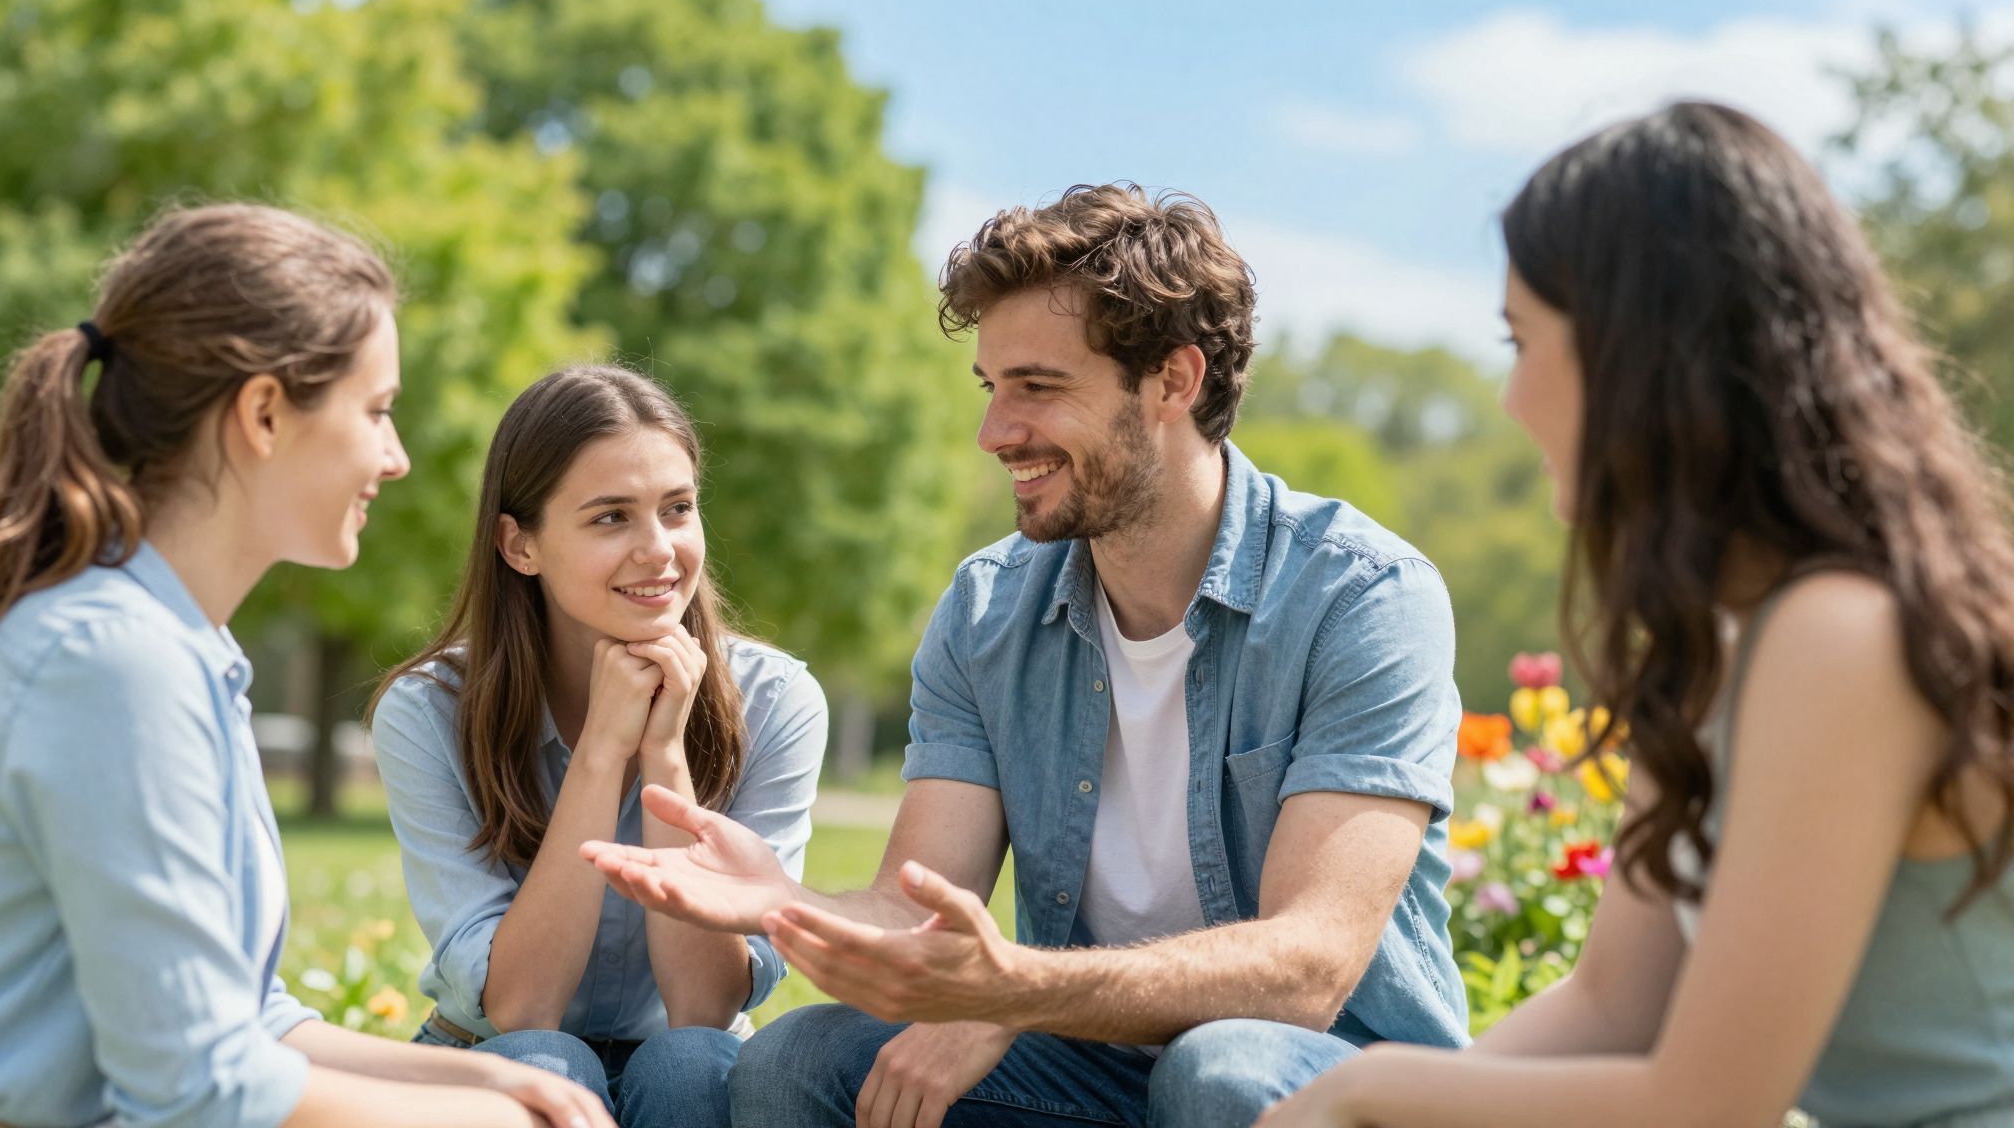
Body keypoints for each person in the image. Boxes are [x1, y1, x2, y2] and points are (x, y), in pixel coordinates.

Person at [585, 184, 1470, 1128]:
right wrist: (786, 901)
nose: (995, 432)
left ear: (1175, 381)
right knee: (801, 1063)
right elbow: (918, 910)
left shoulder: (1361, 597)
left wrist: (1015, 994)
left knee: (1218, 1070)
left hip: (1335, 1075)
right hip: (1089, 1062)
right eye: (993, 388)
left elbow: (1308, 972)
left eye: (1038, 388)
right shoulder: (986, 610)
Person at [1259, 101, 2014, 1128]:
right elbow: (1614, 1005)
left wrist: (1365, 1091)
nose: (1507, 397)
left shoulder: (1837, 635)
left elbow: (1710, 1103)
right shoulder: (1714, 642)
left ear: (1637, 356)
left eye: (1521, 341)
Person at [0, 204, 614, 1128]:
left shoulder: (185, 652)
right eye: (377, 412)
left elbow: (249, 1023)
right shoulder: (111, 663)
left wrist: (487, 1080)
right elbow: (195, 1086)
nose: (395, 459)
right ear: (264, 413)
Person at [369, 364, 828, 1128]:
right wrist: (600, 752)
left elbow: (703, 1008)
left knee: (691, 1066)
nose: (660, 551)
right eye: (611, 517)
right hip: (493, 1058)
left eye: (677, 509)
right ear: (520, 546)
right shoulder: (428, 712)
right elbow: (522, 1007)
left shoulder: (777, 702)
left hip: (692, 1072)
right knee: (542, 1064)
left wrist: (664, 754)